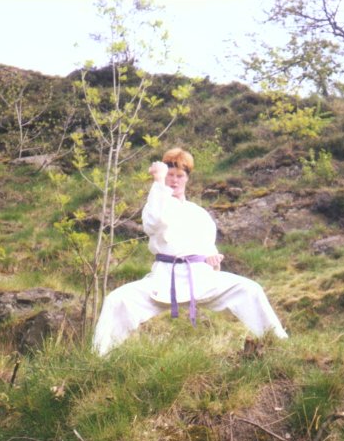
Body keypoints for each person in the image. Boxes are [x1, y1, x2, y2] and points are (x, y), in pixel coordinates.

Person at [93, 147, 288, 355]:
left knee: (250, 289)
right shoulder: (156, 204)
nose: (174, 180)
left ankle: (280, 345)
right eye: (169, 175)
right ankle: (99, 356)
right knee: (117, 300)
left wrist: (213, 260)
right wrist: (158, 182)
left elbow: (208, 246)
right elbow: (155, 222)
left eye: (179, 176)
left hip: (200, 278)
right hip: (164, 280)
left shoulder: (199, 213)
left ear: (187, 178)